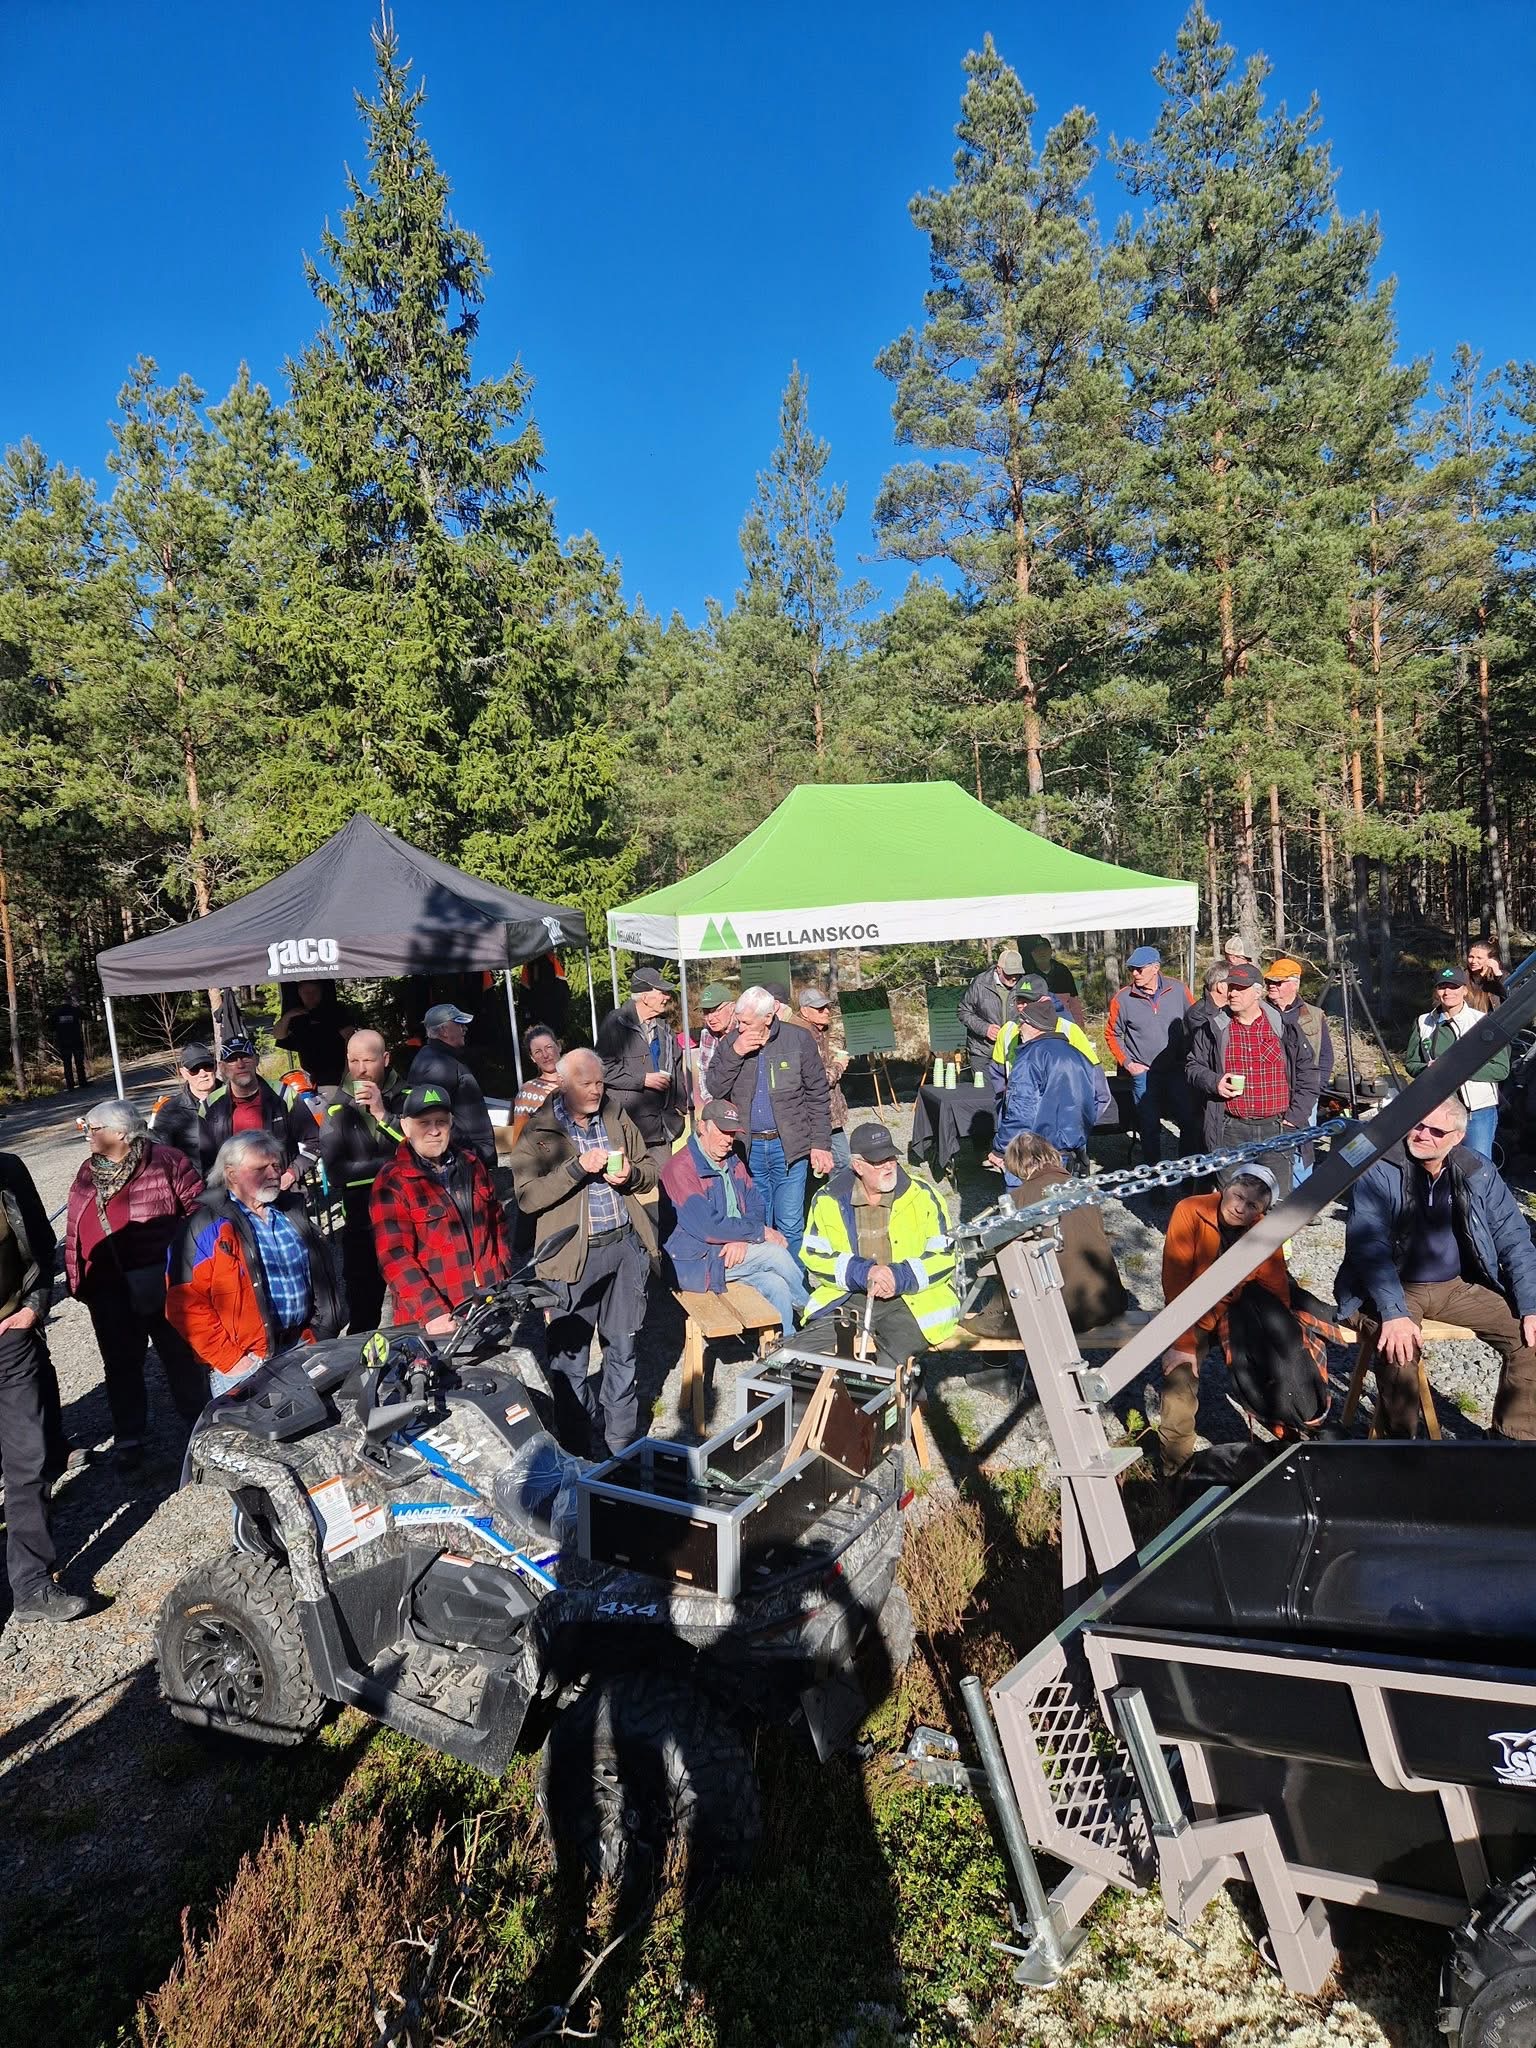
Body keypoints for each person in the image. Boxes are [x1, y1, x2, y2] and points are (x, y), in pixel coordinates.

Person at [1336, 1097, 1536, 1439]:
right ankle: (1402, 1449)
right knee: (1399, 1351)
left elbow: (1514, 1239)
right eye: (1419, 1124)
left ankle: (1512, 1442)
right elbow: (1369, 1247)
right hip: (1392, 1286)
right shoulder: (1381, 1166)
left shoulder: (1477, 1170)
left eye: (1436, 1131)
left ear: (1457, 1137)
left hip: (1454, 1286)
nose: (1423, 1134)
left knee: (1529, 1339)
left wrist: (1531, 1306)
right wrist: (1394, 1313)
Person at [508, 1048, 657, 1456]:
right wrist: (576, 1168)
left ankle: (621, 1445)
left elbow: (649, 1170)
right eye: (586, 1083)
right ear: (562, 1084)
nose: (596, 1090)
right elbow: (527, 1198)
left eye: (600, 1082)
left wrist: (632, 1175)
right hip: (571, 1260)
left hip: (623, 1249)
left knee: (623, 1350)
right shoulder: (539, 1132)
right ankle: (577, 1450)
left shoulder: (615, 1116)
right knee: (570, 1363)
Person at [1154, 1164, 1332, 1470]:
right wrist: (1182, 1343)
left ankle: (1296, 1436)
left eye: (1252, 1205)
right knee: (1180, 1373)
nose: (1240, 1208)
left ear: (1261, 1211)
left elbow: (1275, 1285)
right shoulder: (1191, 1210)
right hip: (1192, 1311)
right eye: (1238, 1196)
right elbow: (1176, 1281)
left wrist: (1278, 1329)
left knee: (1280, 1362)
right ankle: (1175, 1465)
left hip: (1237, 1308)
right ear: (1225, 1189)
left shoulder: (1263, 1230)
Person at [63, 1099, 207, 1469]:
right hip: (107, 1287)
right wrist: (77, 1275)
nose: (87, 1135)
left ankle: (202, 1428)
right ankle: (129, 1437)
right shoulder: (88, 1170)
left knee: (180, 1358)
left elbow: (199, 1213)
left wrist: (186, 1266)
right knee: (120, 1364)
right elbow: (75, 1225)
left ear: (122, 1134)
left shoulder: (167, 1161)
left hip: (162, 1280)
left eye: (93, 1128)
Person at [167, 1131, 342, 1397]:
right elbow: (185, 1304)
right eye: (260, 1169)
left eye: (276, 1166)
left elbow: (321, 1277)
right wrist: (232, 1360)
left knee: (315, 1420)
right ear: (232, 1174)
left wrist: (320, 1331)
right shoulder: (205, 1226)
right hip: (248, 1362)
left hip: (302, 1346)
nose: (273, 1174)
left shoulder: (290, 1212)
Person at [0, 1150, 87, 1622]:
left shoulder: (8, 1171)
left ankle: (32, 1585)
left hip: (10, 1343)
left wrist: (34, 1307)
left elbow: (39, 1244)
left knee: (29, 1461)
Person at [800, 1123, 959, 1358]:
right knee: (798, 1354)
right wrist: (864, 1273)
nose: (888, 1166)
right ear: (858, 1166)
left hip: (912, 1299)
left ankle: (901, 1381)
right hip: (850, 1296)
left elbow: (945, 1254)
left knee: (890, 1362)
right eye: (878, 1161)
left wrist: (898, 1277)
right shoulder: (827, 1200)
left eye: (891, 1157)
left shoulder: (924, 1196)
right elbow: (814, 1255)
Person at [370, 1083, 512, 1334]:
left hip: (487, 1304)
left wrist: (502, 1273)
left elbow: (496, 1222)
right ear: (406, 1127)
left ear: (451, 1123)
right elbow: (394, 1255)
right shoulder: (393, 1181)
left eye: (441, 1122)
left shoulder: (472, 1165)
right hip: (435, 1319)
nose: (434, 1131)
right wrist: (432, 1312)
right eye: (424, 1123)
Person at [660, 1098, 808, 1337]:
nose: (728, 1139)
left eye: (732, 1133)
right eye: (722, 1131)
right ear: (702, 1127)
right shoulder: (681, 1169)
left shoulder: (732, 1159)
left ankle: (786, 1346)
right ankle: (813, 1311)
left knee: (777, 1285)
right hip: (697, 1262)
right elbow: (708, 1227)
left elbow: (756, 1204)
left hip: (730, 1252)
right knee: (775, 1253)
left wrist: (743, 1239)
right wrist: (757, 1233)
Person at [704, 985, 832, 1260]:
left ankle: (794, 1282)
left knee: (790, 1224)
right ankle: (767, 1281)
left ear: (768, 1017)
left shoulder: (798, 1039)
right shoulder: (731, 1043)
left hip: (789, 1148)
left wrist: (821, 1144)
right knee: (757, 1224)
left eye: (746, 1023)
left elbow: (818, 1094)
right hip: (747, 1148)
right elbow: (715, 1088)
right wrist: (735, 1053)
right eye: (738, 1021)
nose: (740, 1028)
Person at [1185, 963, 1317, 1196]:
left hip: (1277, 1127)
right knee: (1232, 1201)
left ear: (1257, 992)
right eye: (1231, 987)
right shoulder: (1213, 1028)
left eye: (1240, 988)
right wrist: (1215, 1081)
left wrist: (1295, 1117)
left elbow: (1308, 1072)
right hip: (1230, 1129)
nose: (1233, 993)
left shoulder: (1283, 1027)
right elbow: (1192, 1066)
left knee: (1277, 1201)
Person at [313, 1028, 406, 1331]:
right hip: (362, 1225)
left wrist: (382, 1115)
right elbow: (337, 1172)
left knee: (415, 1312)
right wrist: (394, 1166)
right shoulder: (336, 1108)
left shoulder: (407, 1098)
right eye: (353, 1061)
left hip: (409, 1220)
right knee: (363, 1317)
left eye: (368, 1060)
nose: (361, 1069)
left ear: (386, 1059)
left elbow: (423, 1152)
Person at [1000, 1132, 1126, 1330]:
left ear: (1016, 1164)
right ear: (1051, 1154)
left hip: (1065, 1312)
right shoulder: (1085, 1189)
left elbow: (1008, 1261)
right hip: (1108, 1302)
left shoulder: (1018, 1198)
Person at [1404, 967, 1509, 1161]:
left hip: (1477, 1113)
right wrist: (1428, 1069)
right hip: (1437, 1111)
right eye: (1442, 987)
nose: (1448, 992)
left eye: (1454, 987)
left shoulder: (1483, 1022)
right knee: (1438, 1164)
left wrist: (1460, 1069)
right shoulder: (1423, 1022)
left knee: (1477, 1165)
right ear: (1436, 991)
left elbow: (1501, 1069)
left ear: (1465, 990)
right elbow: (1411, 1064)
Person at [991, 997, 1103, 1178]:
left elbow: (1021, 1110)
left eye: (1022, 1022)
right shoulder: (1079, 1056)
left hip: (1035, 1154)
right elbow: (1098, 1098)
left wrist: (1000, 1148)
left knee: (1025, 1196)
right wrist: (1079, 1133)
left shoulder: (1030, 1058)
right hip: (1070, 1150)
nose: (1019, 1028)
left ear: (1033, 1025)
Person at [1105, 946, 1194, 1166]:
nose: (1134, 974)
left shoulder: (1178, 990)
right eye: (1131, 970)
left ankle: (1188, 1173)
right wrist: (1128, 1063)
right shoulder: (1123, 998)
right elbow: (1112, 1033)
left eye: (1139, 969)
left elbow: (1194, 1022)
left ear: (1155, 968)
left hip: (1176, 1069)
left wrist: (1191, 1058)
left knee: (1188, 1120)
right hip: (1143, 1073)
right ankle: (1154, 1176)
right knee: (1149, 1126)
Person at [596, 966, 688, 1175]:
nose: (667, 997)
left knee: (666, 1182)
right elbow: (603, 1069)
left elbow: (677, 1065)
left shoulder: (664, 1028)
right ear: (645, 997)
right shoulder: (615, 1023)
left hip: (661, 1126)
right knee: (627, 1182)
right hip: (628, 1125)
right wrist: (643, 1079)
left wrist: (680, 1106)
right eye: (661, 992)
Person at [1262, 958, 1335, 1186]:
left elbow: (1326, 1056)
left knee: (1302, 1148)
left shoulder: (1314, 1015)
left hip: (1305, 1095)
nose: (1271, 986)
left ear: (1295, 984)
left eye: (1278, 982)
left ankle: (1300, 1196)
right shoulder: (1258, 1012)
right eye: (1269, 981)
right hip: (1269, 1094)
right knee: (1268, 1147)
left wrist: (1314, 1090)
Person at [407, 1002, 496, 1169]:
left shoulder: (441, 1058)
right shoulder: (437, 1064)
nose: (465, 1029)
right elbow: (434, 1117)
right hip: (463, 1159)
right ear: (444, 1031)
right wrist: (470, 1152)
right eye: (459, 1024)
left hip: (467, 1156)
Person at [199, 1035, 301, 1175]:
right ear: (222, 1067)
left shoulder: (283, 1094)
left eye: (245, 1057)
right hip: (235, 1187)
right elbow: (206, 1160)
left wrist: (292, 1174)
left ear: (256, 1060)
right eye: (232, 1060)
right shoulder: (210, 1106)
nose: (240, 1065)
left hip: (282, 1184)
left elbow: (312, 1141)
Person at [797, 986, 851, 1167]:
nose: (827, 1011)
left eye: (827, 1007)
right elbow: (818, 1080)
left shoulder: (822, 1032)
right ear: (805, 1011)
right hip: (817, 1115)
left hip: (829, 1115)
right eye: (820, 1008)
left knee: (834, 1162)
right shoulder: (803, 1037)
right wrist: (839, 1065)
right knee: (840, 1161)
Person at [151, 1041, 221, 1169]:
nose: (202, 1074)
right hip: (194, 1180)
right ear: (183, 1073)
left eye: (208, 1066)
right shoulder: (169, 1112)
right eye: (194, 1069)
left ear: (215, 1066)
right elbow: (159, 1158)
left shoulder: (235, 1099)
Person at [273, 980, 353, 1089]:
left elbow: (350, 1041)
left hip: (337, 1074)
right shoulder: (297, 1015)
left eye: (314, 992)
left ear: (321, 992)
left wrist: (347, 1073)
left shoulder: (335, 1011)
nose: (310, 996)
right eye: (306, 992)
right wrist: (287, 1016)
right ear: (299, 993)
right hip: (311, 1077)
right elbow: (278, 1035)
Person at [957, 946, 1024, 1072]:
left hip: (1015, 1051)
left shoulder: (1025, 984)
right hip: (983, 1053)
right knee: (984, 1086)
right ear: (998, 969)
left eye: (1017, 973)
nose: (1014, 977)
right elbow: (964, 1011)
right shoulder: (980, 983)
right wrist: (985, 1029)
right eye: (1009, 973)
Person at [508, 1025, 563, 1148]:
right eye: (538, 1051)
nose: (545, 1055)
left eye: (549, 1047)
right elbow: (519, 1141)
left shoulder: (579, 1081)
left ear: (558, 1046)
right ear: (532, 1058)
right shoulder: (528, 1093)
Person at [689, 982, 738, 1108]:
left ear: (732, 1007)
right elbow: (704, 1072)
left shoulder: (744, 1030)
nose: (710, 1018)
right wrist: (711, 1104)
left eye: (715, 1010)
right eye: (706, 1012)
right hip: (718, 1103)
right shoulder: (707, 1033)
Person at [1021, 936, 1085, 1027]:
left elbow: (1073, 1000)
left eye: (1045, 949)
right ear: (1032, 954)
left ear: (1051, 951)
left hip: (1065, 1021)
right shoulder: (1028, 975)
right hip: (1040, 1024)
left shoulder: (1062, 971)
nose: (1042, 953)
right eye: (1038, 950)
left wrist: (1079, 1025)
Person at [50, 992, 88, 1091]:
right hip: (76, 1040)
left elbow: (51, 1026)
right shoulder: (74, 1010)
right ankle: (82, 1082)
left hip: (63, 1041)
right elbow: (86, 1016)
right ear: (70, 1001)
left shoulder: (56, 1012)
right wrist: (78, 1006)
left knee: (67, 1063)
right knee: (79, 1062)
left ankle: (70, 1085)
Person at [1466, 937, 1507, 1014]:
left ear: (1491, 960)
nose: (1473, 961)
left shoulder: (1502, 976)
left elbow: (1512, 996)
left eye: (1479, 958)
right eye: (1471, 957)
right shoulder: (1462, 976)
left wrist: (1498, 976)